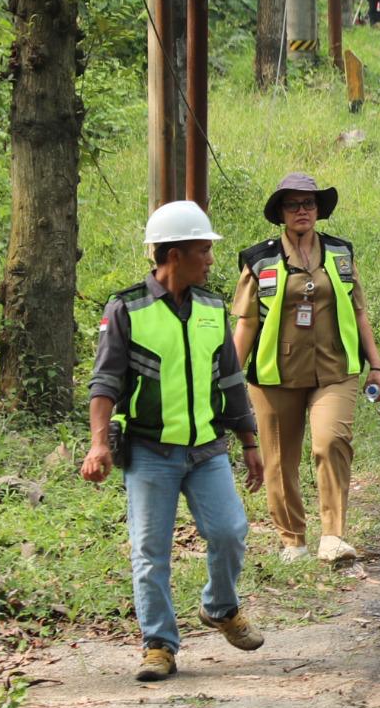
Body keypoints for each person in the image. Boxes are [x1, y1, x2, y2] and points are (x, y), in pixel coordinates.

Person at [80, 202, 268, 683]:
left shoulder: (211, 307)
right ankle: (159, 645)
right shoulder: (127, 308)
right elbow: (104, 382)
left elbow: (230, 379)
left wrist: (249, 443)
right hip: (149, 451)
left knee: (230, 532)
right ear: (174, 253)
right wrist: (99, 444)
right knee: (151, 551)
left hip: (207, 449)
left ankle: (220, 607)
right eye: (203, 250)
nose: (210, 259)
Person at [231, 173, 380, 567]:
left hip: (334, 368)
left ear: (318, 210)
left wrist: (376, 365)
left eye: (308, 204)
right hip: (274, 374)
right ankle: (293, 541)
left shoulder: (339, 253)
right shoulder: (260, 260)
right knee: (279, 459)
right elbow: (246, 324)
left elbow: (359, 311)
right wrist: (227, 383)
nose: (301, 211)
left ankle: (333, 537)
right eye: (293, 205)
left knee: (330, 442)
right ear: (281, 213)